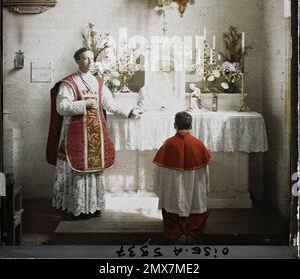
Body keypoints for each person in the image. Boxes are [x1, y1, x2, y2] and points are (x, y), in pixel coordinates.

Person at [46, 47, 142, 220]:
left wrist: (129, 112)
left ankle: (93, 205)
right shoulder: (69, 83)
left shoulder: (99, 82)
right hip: (74, 135)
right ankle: (77, 207)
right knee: (77, 171)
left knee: (93, 171)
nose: (89, 62)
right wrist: (83, 104)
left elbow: (110, 104)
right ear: (77, 61)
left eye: (91, 58)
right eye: (85, 59)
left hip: (95, 135)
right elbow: (61, 108)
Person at [153, 111, 211, 244]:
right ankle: (193, 234)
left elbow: (159, 173)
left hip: (172, 189)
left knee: (172, 205)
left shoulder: (167, 145)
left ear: (175, 125)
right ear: (191, 126)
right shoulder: (199, 145)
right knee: (196, 204)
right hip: (194, 188)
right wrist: (205, 188)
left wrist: (160, 189)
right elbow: (205, 173)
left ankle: (176, 234)